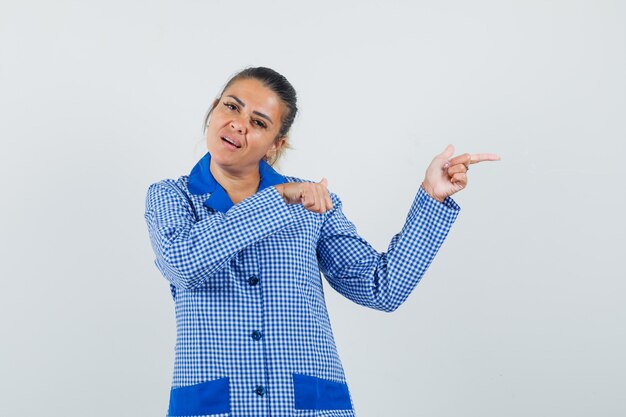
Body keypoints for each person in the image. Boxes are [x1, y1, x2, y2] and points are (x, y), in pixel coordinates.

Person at [144, 66, 500, 417]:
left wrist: (432, 199)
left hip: (308, 406)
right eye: (232, 107)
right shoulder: (171, 197)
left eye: (260, 122)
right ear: (213, 109)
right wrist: (277, 198)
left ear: (275, 145)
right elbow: (184, 264)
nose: (239, 124)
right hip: (213, 407)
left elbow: (382, 288)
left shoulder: (313, 203)